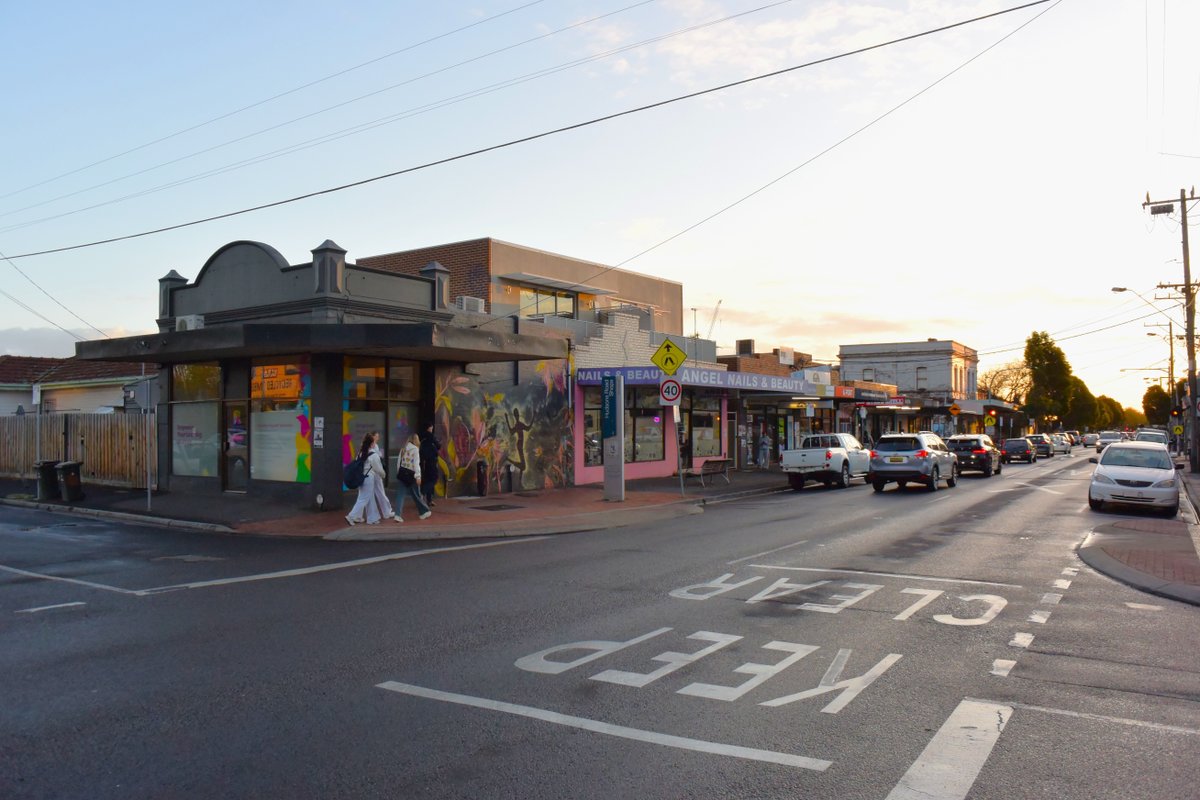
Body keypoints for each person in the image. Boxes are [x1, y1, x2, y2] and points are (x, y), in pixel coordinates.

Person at [346, 433, 390, 526]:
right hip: (369, 478)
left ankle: (372, 518)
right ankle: (351, 515)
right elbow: (379, 469)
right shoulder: (373, 455)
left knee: (369, 498)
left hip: (361, 478)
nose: (375, 443)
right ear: (371, 444)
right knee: (364, 499)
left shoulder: (360, 453)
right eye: (373, 442)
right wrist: (384, 475)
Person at [396, 432, 432, 521]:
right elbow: (416, 464)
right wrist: (418, 476)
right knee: (416, 494)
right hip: (411, 475)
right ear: (416, 440)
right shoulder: (415, 449)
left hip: (402, 474)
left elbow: (398, 462)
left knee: (400, 495)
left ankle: (397, 515)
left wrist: (398, 473)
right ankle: (424, 512)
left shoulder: (403, 448)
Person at [368, 432, 396, 522]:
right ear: (372, 436)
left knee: (377, 492)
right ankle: (385, 512)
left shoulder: (374, 446)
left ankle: (386, 511)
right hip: (373, 472)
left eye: (378, 437)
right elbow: (377, 458)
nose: (377, 438)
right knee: (373, 493)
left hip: (373, 473)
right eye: (376, 436)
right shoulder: (372, 446)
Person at [419, 422, 441, 508]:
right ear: (429, 428)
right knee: (434, 479)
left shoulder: (422, 437)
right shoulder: (431, 436)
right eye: (431, 427)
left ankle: (429, 499)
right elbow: (438, 446)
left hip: (424, 461)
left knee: (428, 479)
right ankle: (423, 493)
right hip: (431, 460)